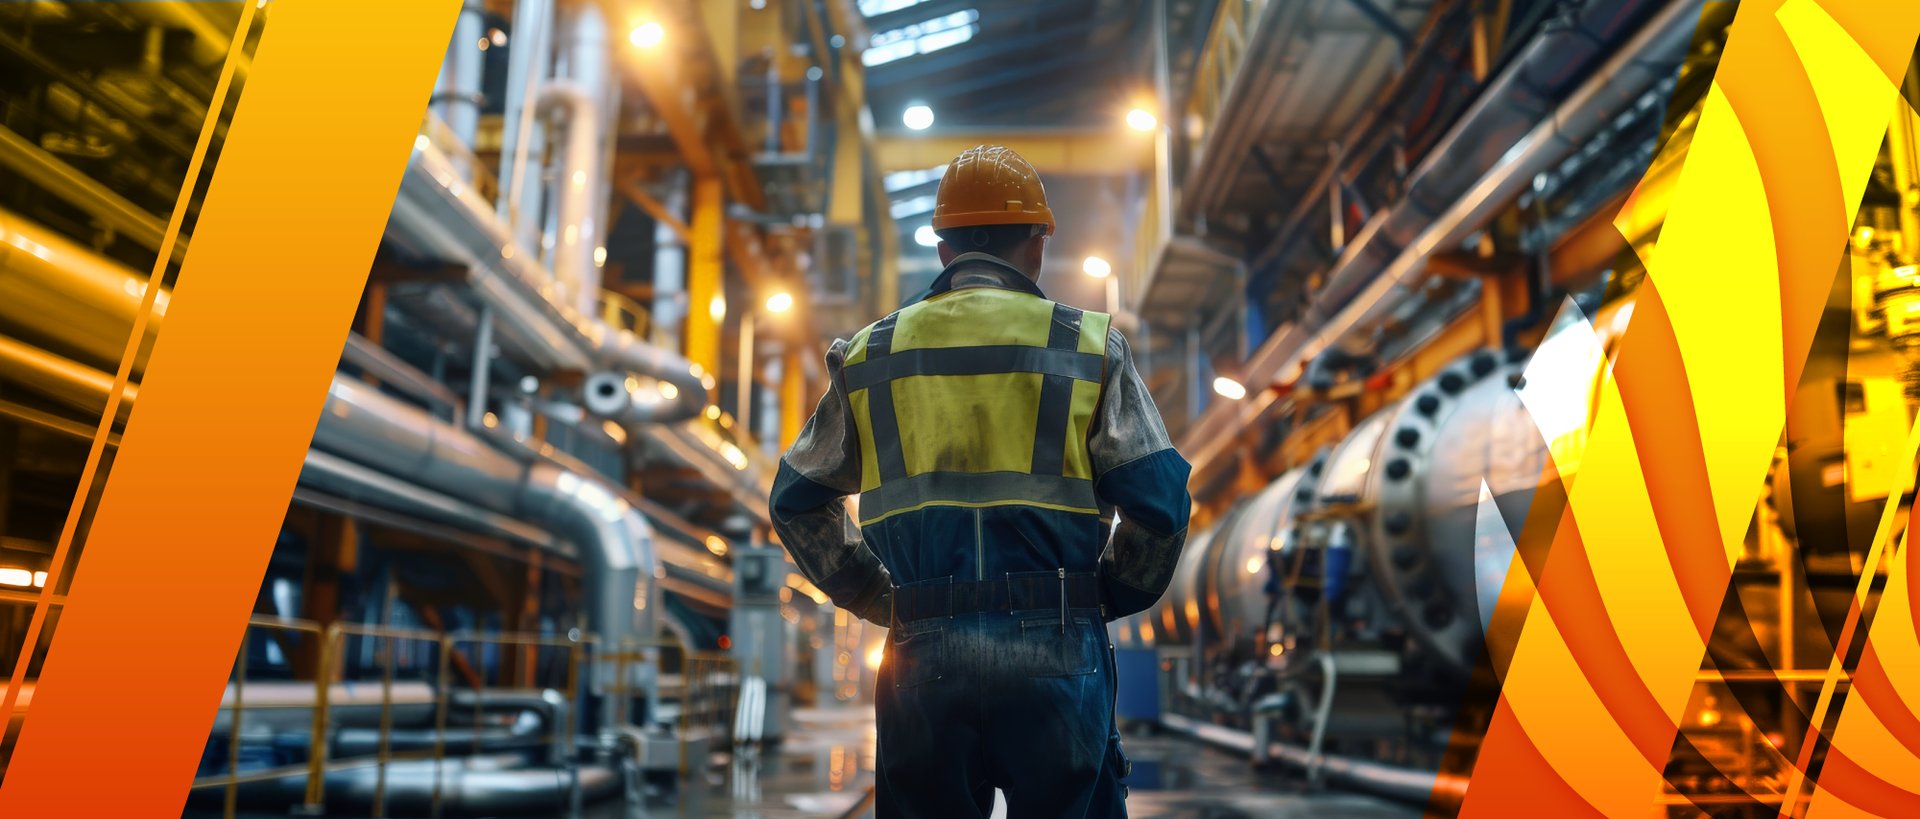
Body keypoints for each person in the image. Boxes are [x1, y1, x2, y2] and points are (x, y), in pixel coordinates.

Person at [769, 145, 1192, 818]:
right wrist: (1108, 591)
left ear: (942, 248)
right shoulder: (1088, 344)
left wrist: (879, 595)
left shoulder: (871, 354)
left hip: (920, 649)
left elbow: (795, 500)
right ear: (1036, 243)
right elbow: (1161, 502)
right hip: (1057, 637)